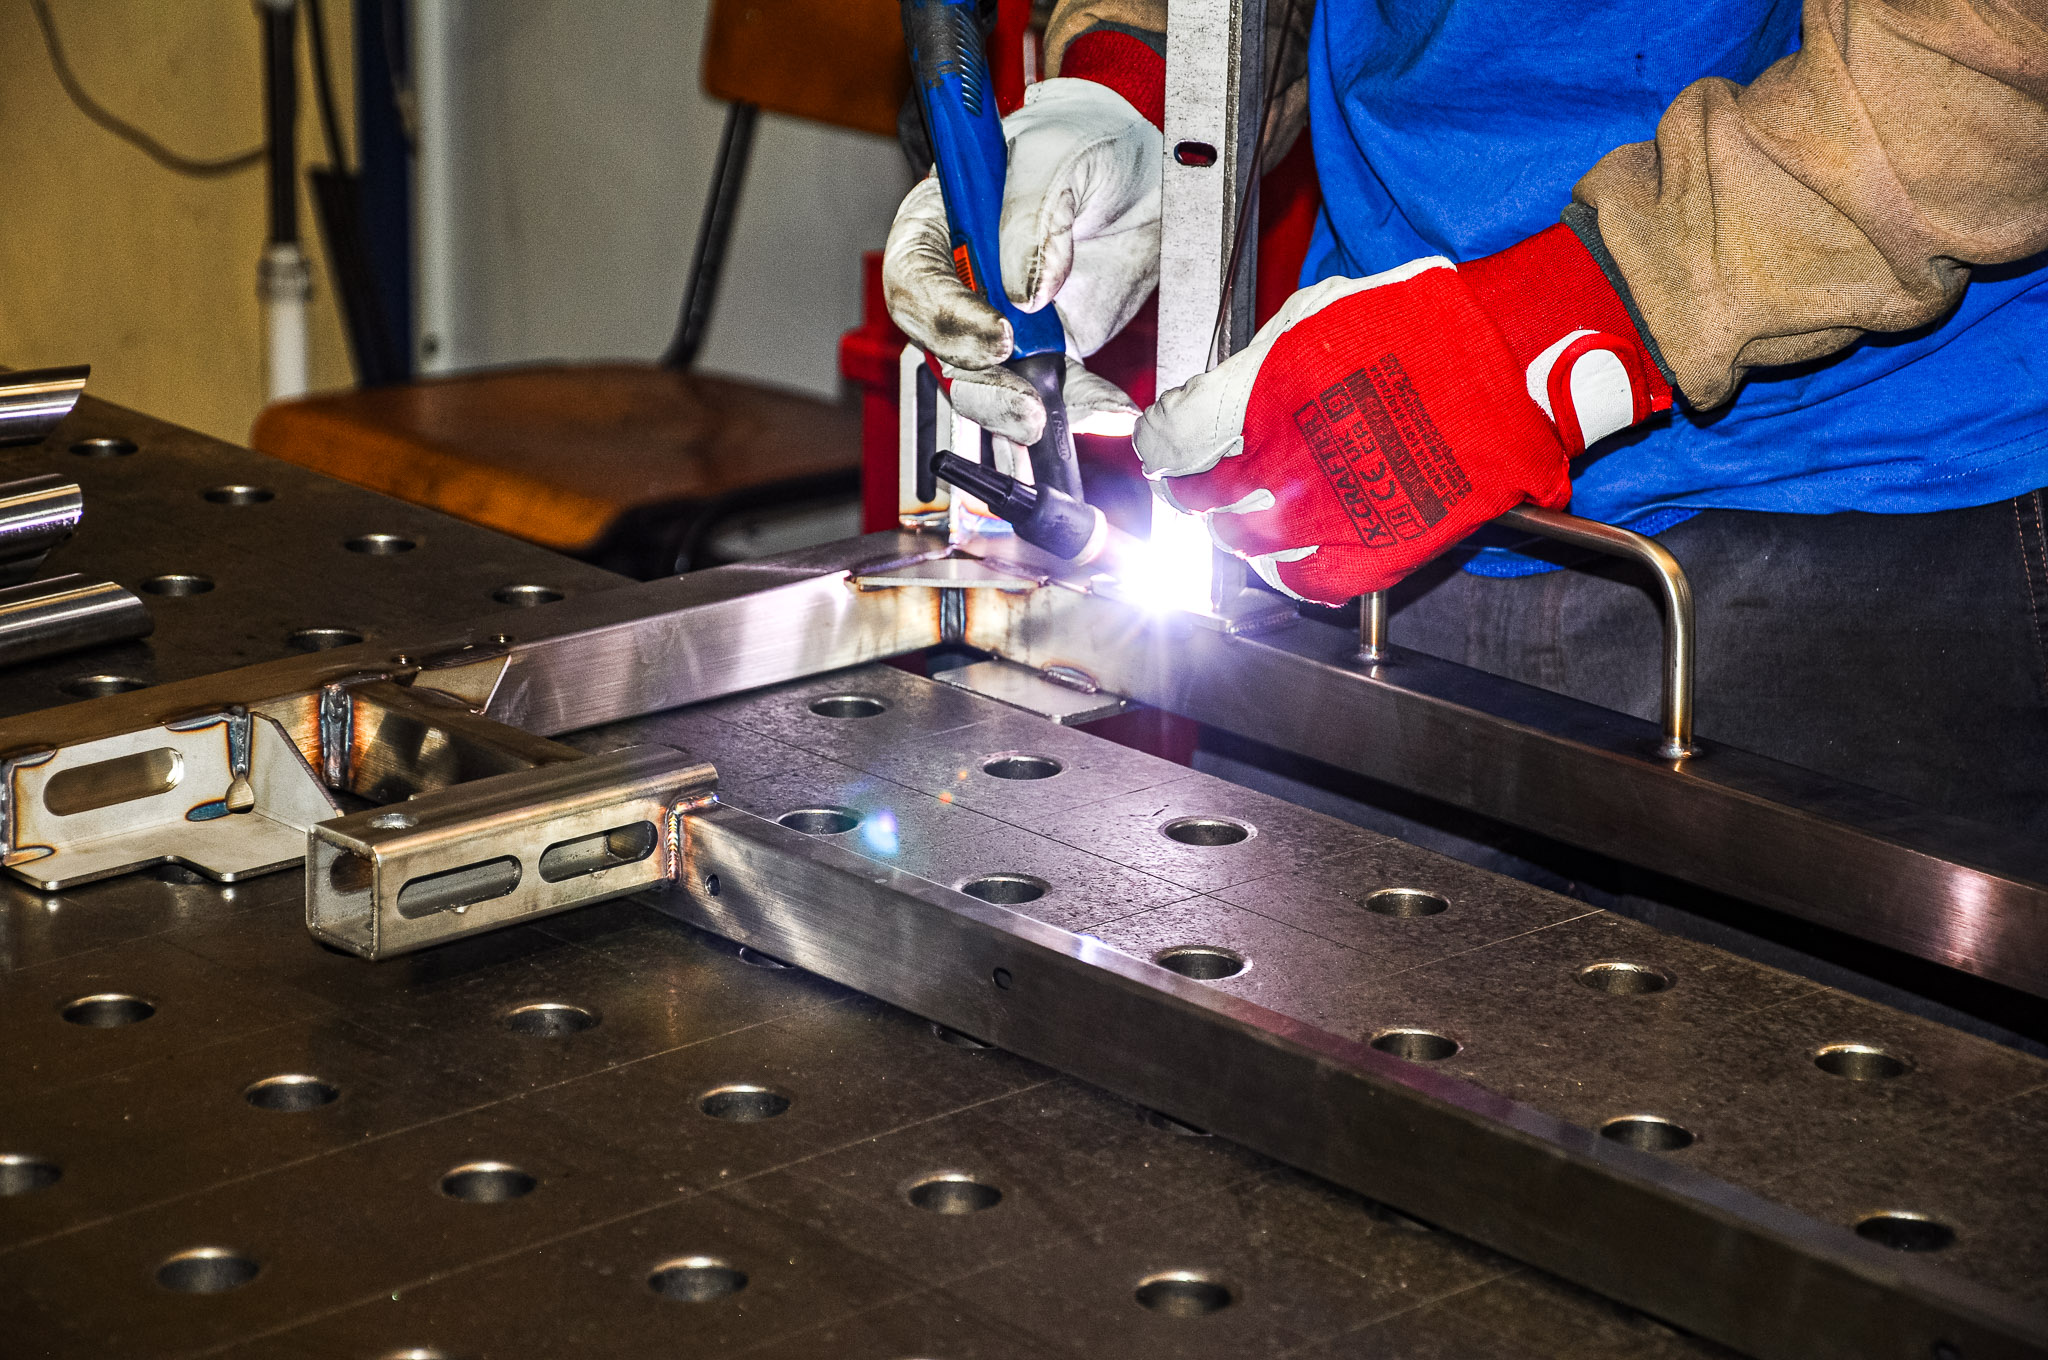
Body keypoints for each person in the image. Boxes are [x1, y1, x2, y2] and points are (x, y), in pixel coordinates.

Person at [883, 0, 2048, 838]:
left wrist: (1551, 330)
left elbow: (1992, 60)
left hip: (1866, 513)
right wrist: (1138, 85)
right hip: (1369, 490)